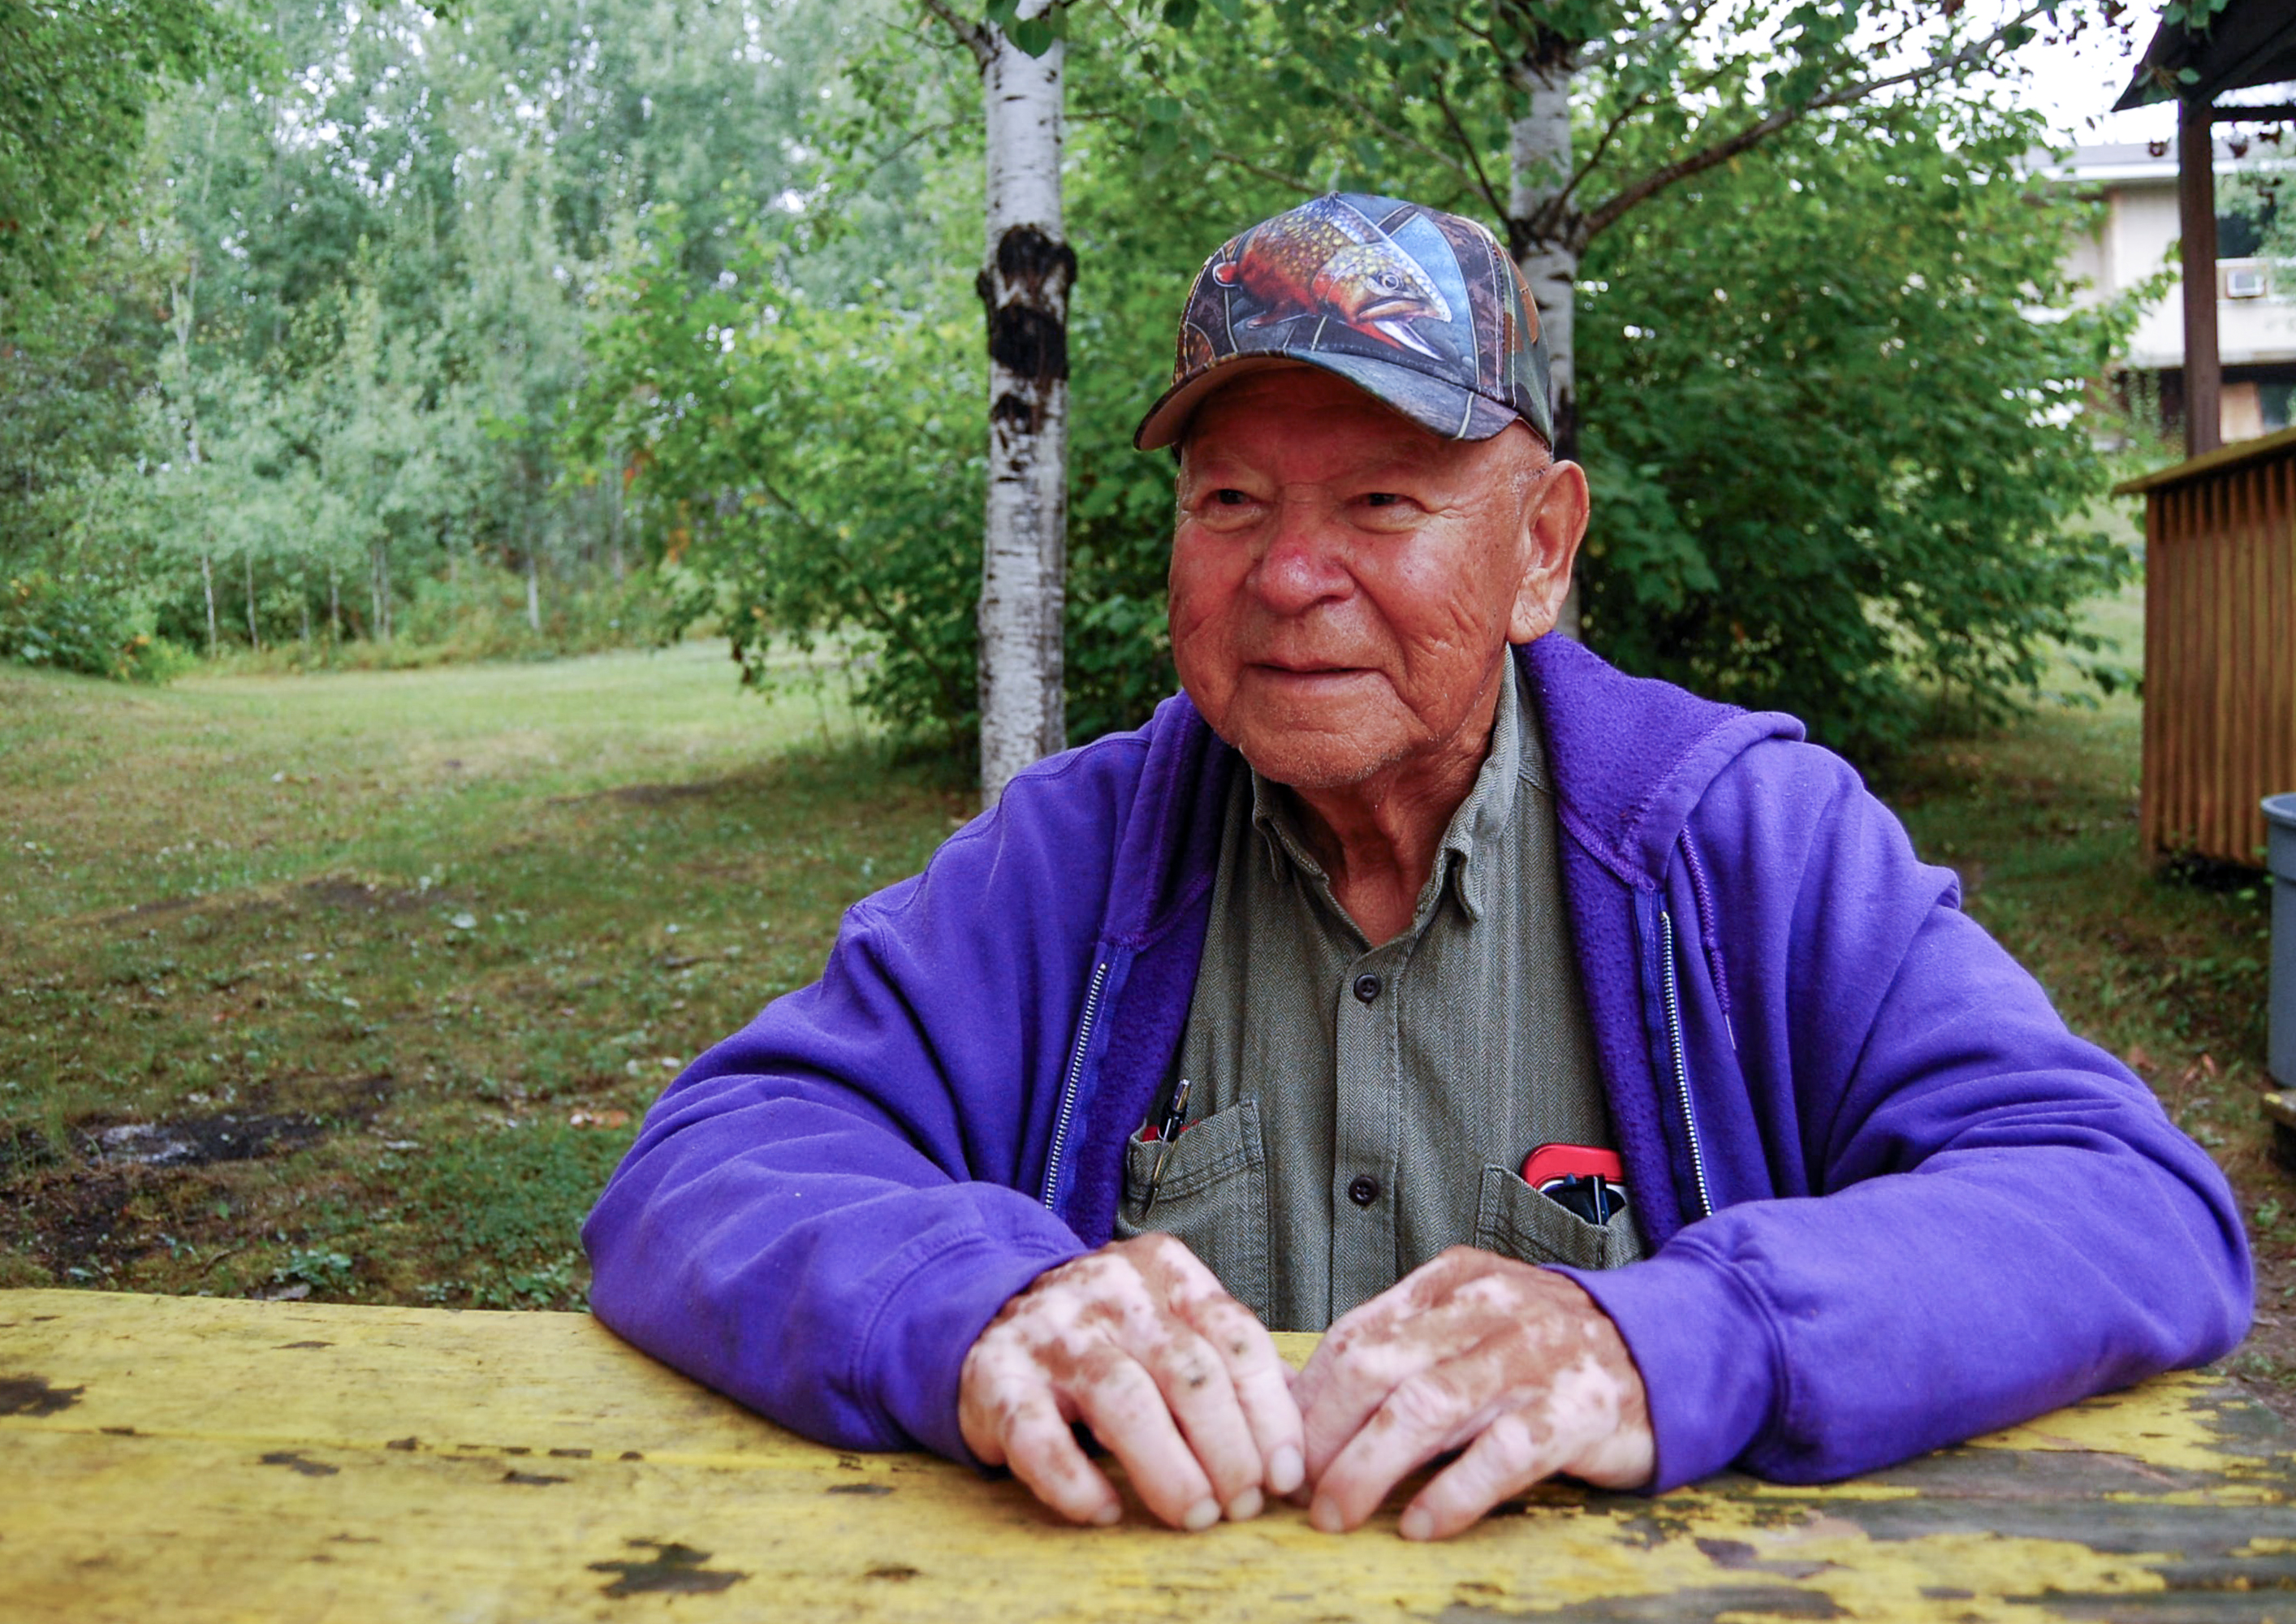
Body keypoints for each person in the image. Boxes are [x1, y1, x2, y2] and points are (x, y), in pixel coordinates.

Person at [584, 192, 2251, 1543]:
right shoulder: (1074, 857)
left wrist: (1663, 1336)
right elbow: (704, 1169)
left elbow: (2130, 1206)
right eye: (1228, 499)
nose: (1288, 572)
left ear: (1539, 551)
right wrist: (979, 1304)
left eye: (1382, 502)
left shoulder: (1740, 838)